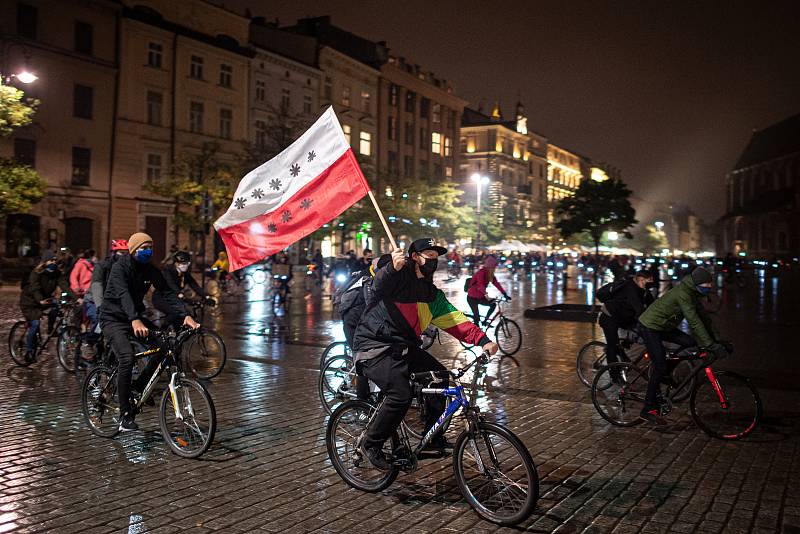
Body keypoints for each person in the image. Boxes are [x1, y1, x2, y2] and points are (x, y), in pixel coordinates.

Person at [353, 238, 499, 470]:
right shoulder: (395, 278)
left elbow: (455, 320)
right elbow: (378, 285)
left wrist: (483, 340)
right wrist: (392, 267)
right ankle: (371, 444)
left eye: (436, 255)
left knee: (440, 377)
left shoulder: (431, 294)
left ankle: (432, 438)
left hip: (405, 347)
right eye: (427, 254)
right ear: (414, 257)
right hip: (375, 346)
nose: (433, 259)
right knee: (400, 395)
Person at [99, 233, 199, 432]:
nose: (148, 251)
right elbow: (123, 294)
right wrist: (134, 319)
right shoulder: (120, 268)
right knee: (127, 358)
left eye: (150, 247)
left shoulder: (150, 270)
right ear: (133, 249)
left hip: (135, 317)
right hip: (114, 318)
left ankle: (138, 386)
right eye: (144, 247)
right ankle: (124, 414)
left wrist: (184, 316)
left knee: (164, 346)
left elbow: (167, 292)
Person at [637, 267, 726, 425]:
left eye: (710, 286)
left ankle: (665, 370)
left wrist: (718, 341)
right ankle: (648, 409)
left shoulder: (693, 292)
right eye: (706, 286)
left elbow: (705, 319)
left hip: (664, 326)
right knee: (660, 366)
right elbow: (693, 321)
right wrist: (710, 345)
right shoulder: (684, 293)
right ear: (697, 284)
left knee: (690, 342)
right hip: (650, 326)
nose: (709, 288)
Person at [598, 270, 654, 380]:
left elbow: (653, 304)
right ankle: (614, 375)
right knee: (612, 346)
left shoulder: (643, 290)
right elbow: (639, 310)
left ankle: (621, 348)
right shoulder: (630, 288)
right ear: (641, 280)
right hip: (609, 317)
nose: (649, 285)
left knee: (638, 334)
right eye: (647, 282)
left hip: (624, 317)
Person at [19, 257, 74, 362]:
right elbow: (34, 288)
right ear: (45, 262)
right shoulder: (37, 272)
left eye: (55, 261)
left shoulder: (57, 274)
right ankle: (29, 352)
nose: (53, 263)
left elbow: (65, 287)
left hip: (45, 300)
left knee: (57, 306)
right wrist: (40, 300)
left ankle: (50, 329)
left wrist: (77, 299)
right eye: (51, 260)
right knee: (35, 324)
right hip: (30, 302)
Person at [83, 240, 129, 357]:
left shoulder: (127, 268)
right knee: (99, 320)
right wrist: (100, 305)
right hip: (94, 299)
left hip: (113, 301)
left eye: (126, 253)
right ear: (113, 253)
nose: (123, 256)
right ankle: (89, 343)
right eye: (120, 253)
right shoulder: (102, 266)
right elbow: (97, 285)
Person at [153, 250, 207, 329]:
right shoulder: (168, 270)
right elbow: (170, 283)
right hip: (161, 298)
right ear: (176, 263)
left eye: (187, 263)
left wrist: (207, 296)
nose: (185, 266)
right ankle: (162, 330)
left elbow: (194, 285)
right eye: (182, 263)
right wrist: (179, 293)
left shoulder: (185, 274)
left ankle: (177, 336)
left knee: (184, 316)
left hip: (175, 298)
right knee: (175, 313)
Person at [465, 255, 509, 327]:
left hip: (480, 297)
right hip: (472, 298)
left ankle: (485, 321)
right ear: (490, 267)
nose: (494, 268)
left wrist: (504, 294)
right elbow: (480, 286)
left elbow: (496, 284)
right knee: (477, 319)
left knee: (493, 304)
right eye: (494, 267)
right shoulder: (481, 273)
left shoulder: (490, 274)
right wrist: (486, 295)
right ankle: (474, 334)